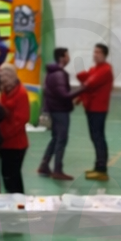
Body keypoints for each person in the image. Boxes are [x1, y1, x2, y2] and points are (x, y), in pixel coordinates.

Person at [75, 43, 114, 181]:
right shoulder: (95, 68)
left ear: (104, 54)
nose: (95, 54)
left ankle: (102, 169)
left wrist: (71, 95)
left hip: (98, 109)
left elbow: (89, 83)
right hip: (91, 108)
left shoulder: (105, 70)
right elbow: (83, 77)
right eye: (94, 51)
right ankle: (98, 166)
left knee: (98, 137)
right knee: (95, 137)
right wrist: (80, 98)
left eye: (98, 52)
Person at [38, 49, 78, 181]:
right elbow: (64, 95)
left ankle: (44, 165)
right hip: (60, 111)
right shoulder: (59, 74)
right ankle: (57, 169)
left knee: (55, 138)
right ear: (62, 57)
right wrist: (83, 89)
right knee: (61, 139)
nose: (69, 57)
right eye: (67, 55)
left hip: (54, 110)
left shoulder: (51, 72)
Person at [0, 65, 30, 195]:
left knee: (13, 176)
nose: (3, 85)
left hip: (16, 144)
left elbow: (21, 120)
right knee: (7, 175)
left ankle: (18, 202)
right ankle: (13, 201)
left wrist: (3, 134)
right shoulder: (6, 91)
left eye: (5, 81)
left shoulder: (21, 93)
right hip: (5, 143)